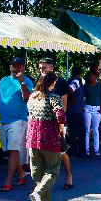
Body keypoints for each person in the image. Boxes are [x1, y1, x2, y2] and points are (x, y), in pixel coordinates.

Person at [0, 57, 34, 192]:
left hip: (18, 120)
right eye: (14, 65)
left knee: (13, 151)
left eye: (19, 66)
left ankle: (8, 181)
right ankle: (22, 174)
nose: (16, 68)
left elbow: (27, 99)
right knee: (9, 151)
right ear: (10, 67)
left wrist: (22, 83)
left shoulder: (27, 81)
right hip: (4, 120)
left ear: (23, 68)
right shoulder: (3, 81)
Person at [26, 71, 66, 201]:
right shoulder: (53, 97)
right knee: (52, 171)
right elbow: (60, 116)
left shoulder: (32, 97)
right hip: (49, 138)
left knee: (37, 173)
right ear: (53, 82)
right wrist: (62, 129)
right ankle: (38, 194)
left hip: (32, 138)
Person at [38, 57, 74, 189]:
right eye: (40, 68)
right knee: (41, 152)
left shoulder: (61, 83)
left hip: (57, 122)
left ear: (51, 67)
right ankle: (41, 183)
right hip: (42, 123)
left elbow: (63, 106)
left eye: (44, 68)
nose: (42, 70)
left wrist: (59, 124)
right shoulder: (39, 82)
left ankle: (69, 176)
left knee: (61, 151)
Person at [83, 67, 101, 156]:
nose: (90, 78)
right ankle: (86, 149)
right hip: (87, 108)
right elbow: (81, 96)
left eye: (92, 76)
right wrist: (82, 107)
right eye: (89, 76)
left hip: (97, 109)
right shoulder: (86, 86)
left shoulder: (100, 86)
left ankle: (96, 149)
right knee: (87, 129)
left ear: (95, 76)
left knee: (96, 129)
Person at [67, 66, 86, 157]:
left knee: (73, 131)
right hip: (76, 110)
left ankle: (73, 149)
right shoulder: (77, 80)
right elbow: (70, 89)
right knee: (81, 132)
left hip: (70, 110)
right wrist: (74, 99)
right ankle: (82, 151)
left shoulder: (70, 80)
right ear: (79, 74)